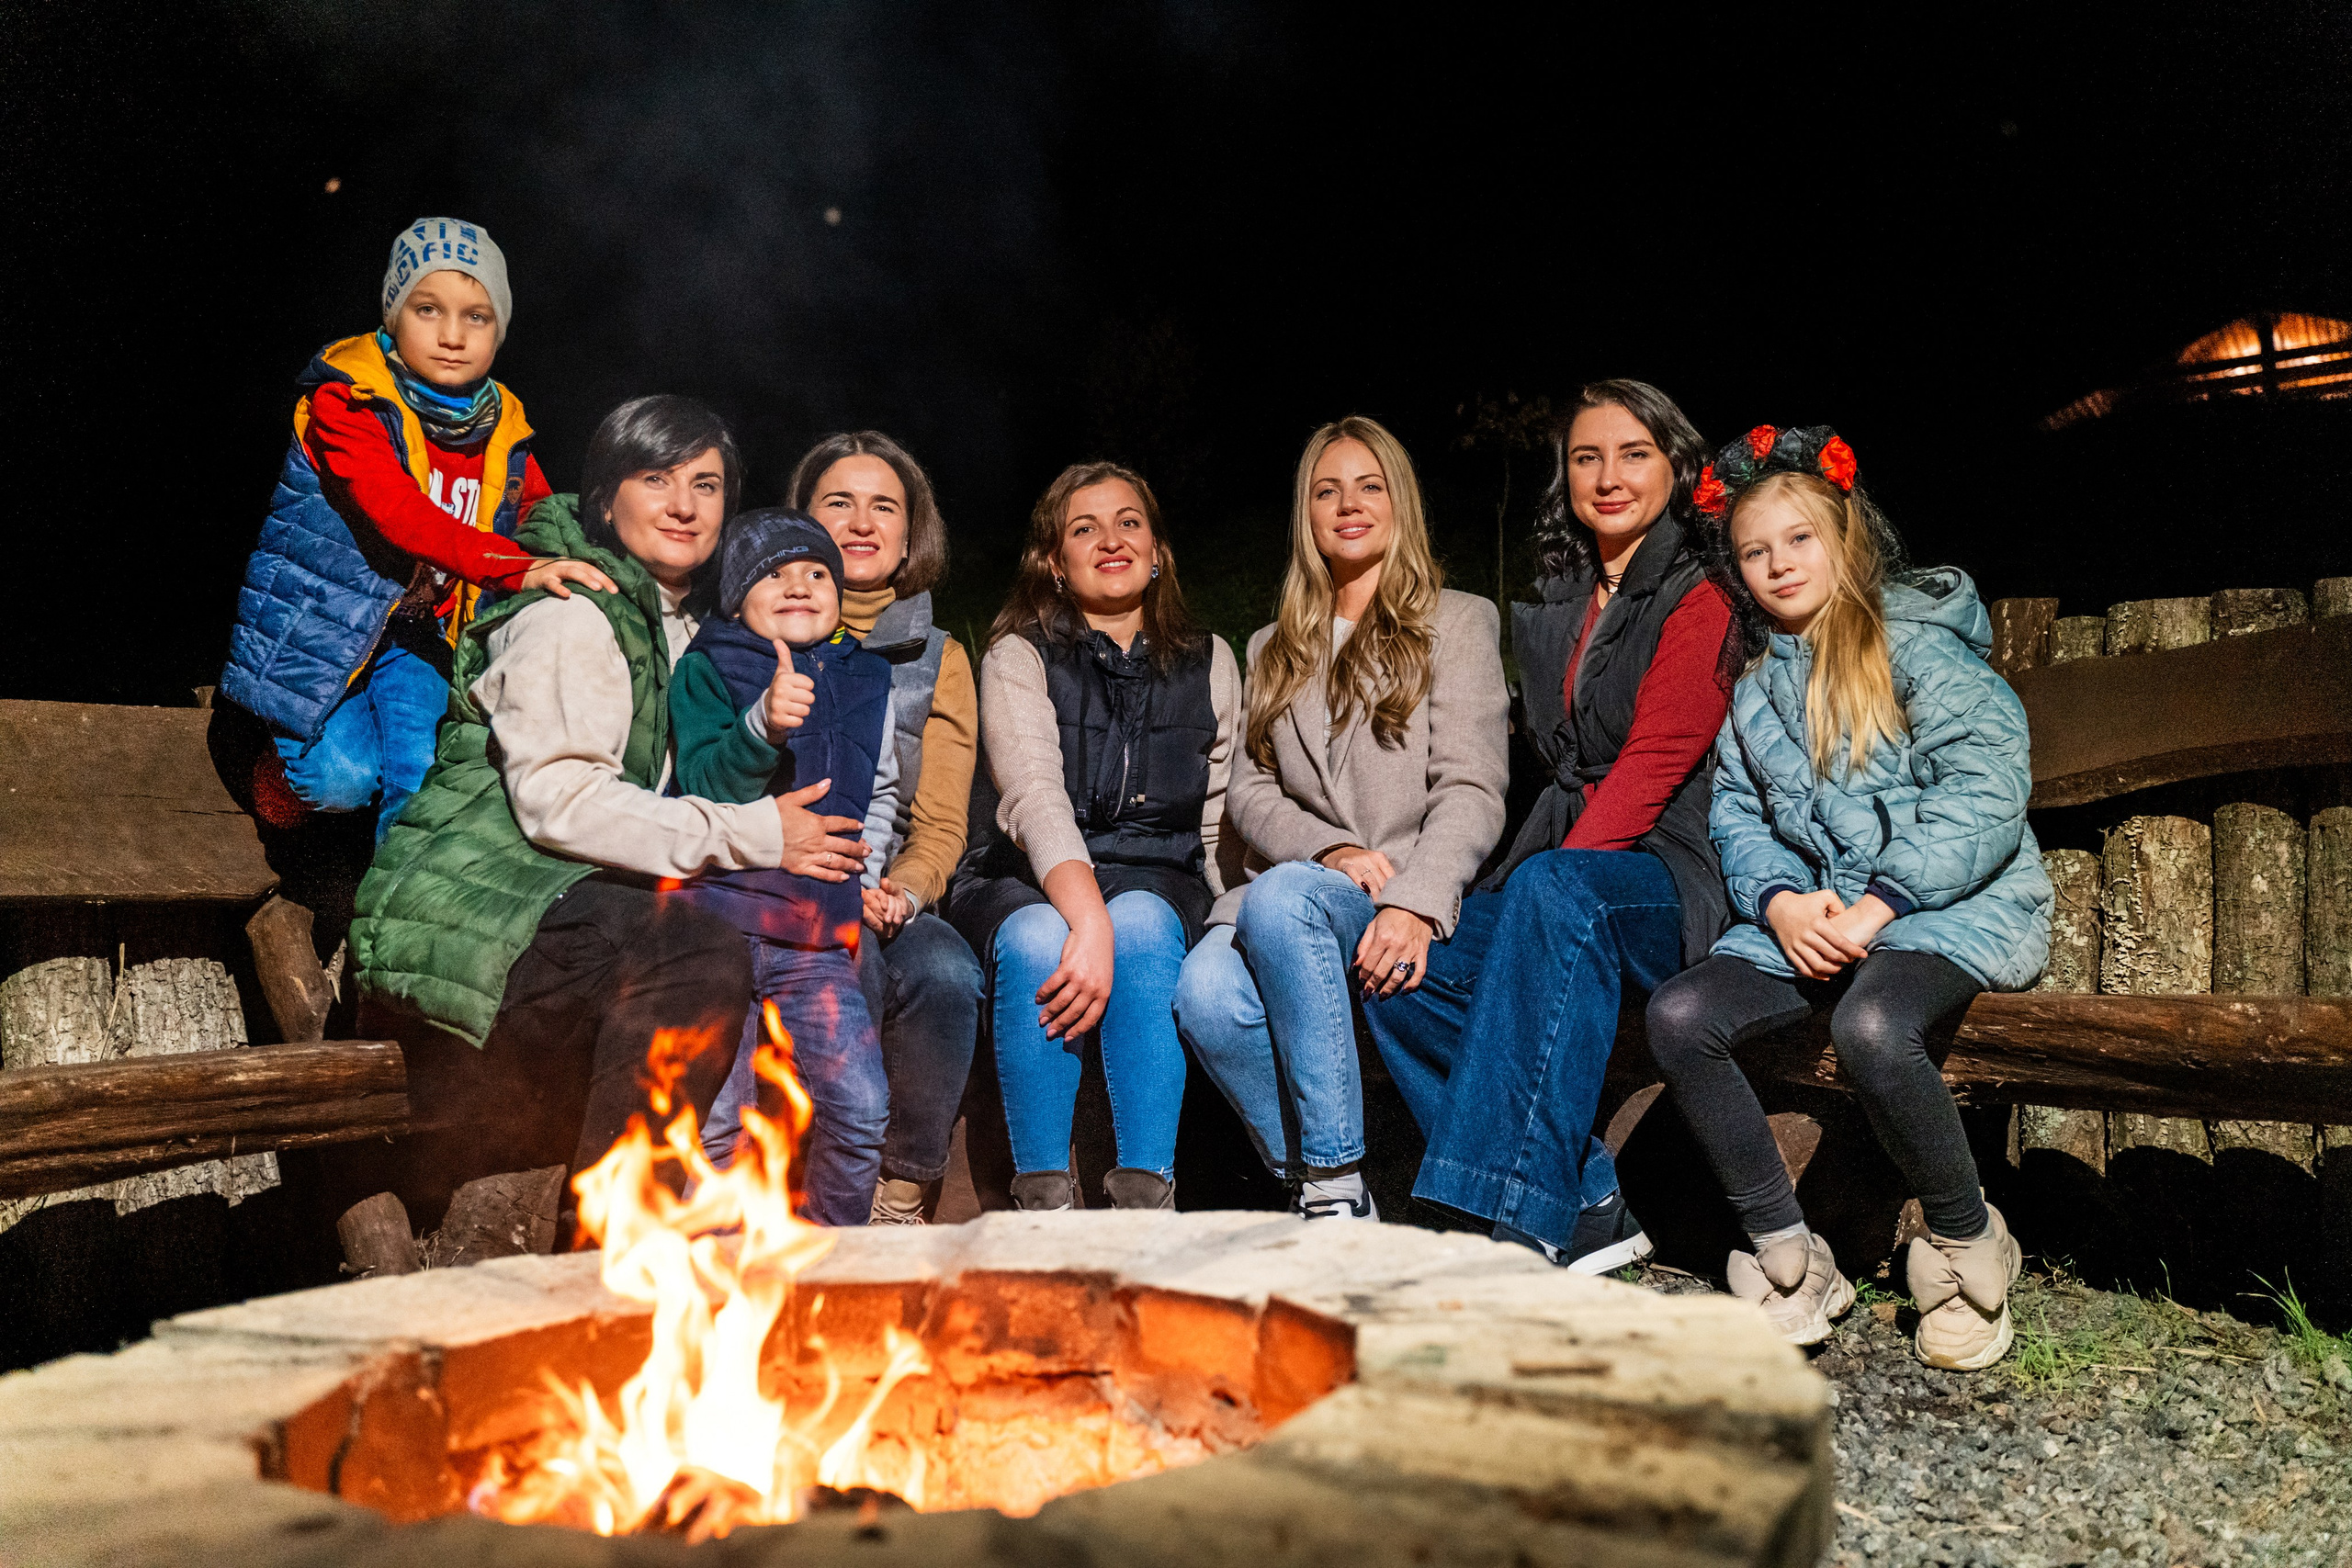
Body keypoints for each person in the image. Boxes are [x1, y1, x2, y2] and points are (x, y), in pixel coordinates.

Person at [351, 397, 873, 1205]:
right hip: (477, 911)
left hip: (561, 907)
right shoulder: (575, 612)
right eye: (655, 477)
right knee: (692, 953)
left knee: (737, 947)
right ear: (604, 498)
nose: (684, 504)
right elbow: (561, 804)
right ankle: (612, 1251)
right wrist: (755, 832)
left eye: (707, 483)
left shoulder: (688, 622)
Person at [1644, 425, 2050, 1367]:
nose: (1778, 564)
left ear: (1844, 540)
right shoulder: (1751, 692)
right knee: (1680, 1013)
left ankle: (1965, 1242)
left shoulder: (1917, 649)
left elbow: (1985, 787)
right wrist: (1781, 902)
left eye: (1798, 539)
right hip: (1821, 916)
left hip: (1952, 905)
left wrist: (1880, 902)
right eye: (1754, 551)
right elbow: (1738, 820)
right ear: (1736, 572)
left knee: (1869, 1027)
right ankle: (1788, 1257)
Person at [1365, 379, 1739, 1270]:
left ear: (1678, 469)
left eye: (1633, 455)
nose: (1607, 477)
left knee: (1548, 894)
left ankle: (1513, 1231)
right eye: (1586, 458)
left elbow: (1653, 765)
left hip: (1669, 872)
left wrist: (1552, 880)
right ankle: (1585, 1201)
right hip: (1565, 872)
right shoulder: (1565, 594)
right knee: (1403, 970)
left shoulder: (1702, 592)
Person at [1173, 417, 1508, 1220]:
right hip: (1312, 878)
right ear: (1307, 513)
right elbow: (1249, 791)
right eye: (1328, 490)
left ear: (1401, 502)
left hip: (1398, 886)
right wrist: (1326, 846)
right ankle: (1338, 1189)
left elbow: (1473, 786)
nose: (1348, 505)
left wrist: (1418, 899)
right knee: (1206, 990)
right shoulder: (1272, 645)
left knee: (1283, 898)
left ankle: (1328, 1186)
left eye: (1369, 486)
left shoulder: (1458, 622)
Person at [221, 217, 611, 844]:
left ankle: (391, 921)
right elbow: (399, 511)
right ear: (394, 313)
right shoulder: (346, 402)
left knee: (422, 779)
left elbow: (544, 516)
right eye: (428, 309)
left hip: (419, 629)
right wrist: (511, 566)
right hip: (324, 624)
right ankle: (267, 775)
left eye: (477, 316)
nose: (453, 335)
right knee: (341, 780)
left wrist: (619, 552)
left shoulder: (501, 424)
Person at [944, 462, 1239, 1211]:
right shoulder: (1018, 654)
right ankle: (1043, 1203)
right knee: (1042, 937)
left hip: (1157, 875)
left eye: (1129, 522)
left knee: (1144, 925)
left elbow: (1214, 823)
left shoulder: (1211, 660)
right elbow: (1035, 797)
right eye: (1085, 528)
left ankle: (1147, 1200)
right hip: (1027, 875)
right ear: (1054, 559)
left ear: (1158, 549)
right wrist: (1087, 917)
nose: (1111, 540)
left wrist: (1229, 921)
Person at [669, 509, 899, 1225]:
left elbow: (876, 786)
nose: (800, 584)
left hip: (814, 937)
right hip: (714, 927)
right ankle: (713, 1292)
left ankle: (831, 1270)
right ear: (737, 595)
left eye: (817, 573)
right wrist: (762, 725)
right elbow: (701, 786)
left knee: (862, 1111)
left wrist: (869, 871)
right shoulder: (709, 665)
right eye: (775, 573)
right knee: (716, 1128)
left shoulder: (869, 675)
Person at [786, 434, 982, 1225]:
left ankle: (901, 1190)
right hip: (789, 880)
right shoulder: (765, 626)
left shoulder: (939, 658)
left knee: (946, 970)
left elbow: (939, 819)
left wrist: (906, 888)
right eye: (839, 502)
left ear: (910, 536)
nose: (861, 521)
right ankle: (818, 1182)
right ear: (801, 521)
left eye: (884, 506)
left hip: (889, 882)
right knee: (846, 960)